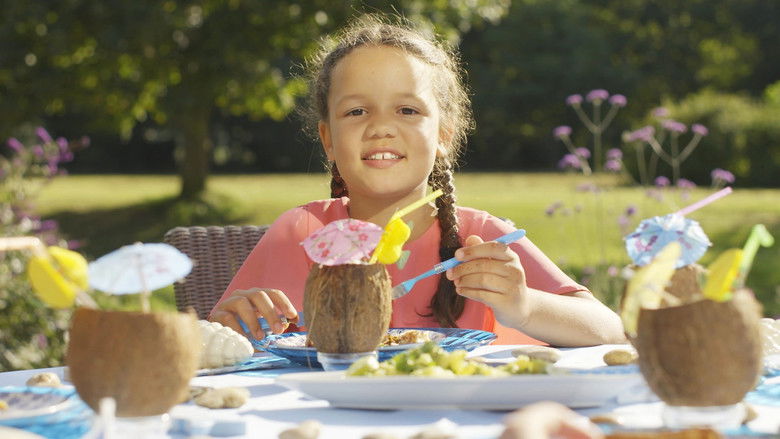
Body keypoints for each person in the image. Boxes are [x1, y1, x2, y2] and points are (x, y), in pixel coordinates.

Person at [208, 15, 626, 346]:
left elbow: (608, 329)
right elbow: (219, 338)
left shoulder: (479, 238)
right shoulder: (300, 232)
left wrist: (523, 305)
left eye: (407, 110)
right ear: (328, 139)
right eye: (357, 112)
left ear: (443, 134)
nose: (381, 128)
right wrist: (233, 323)